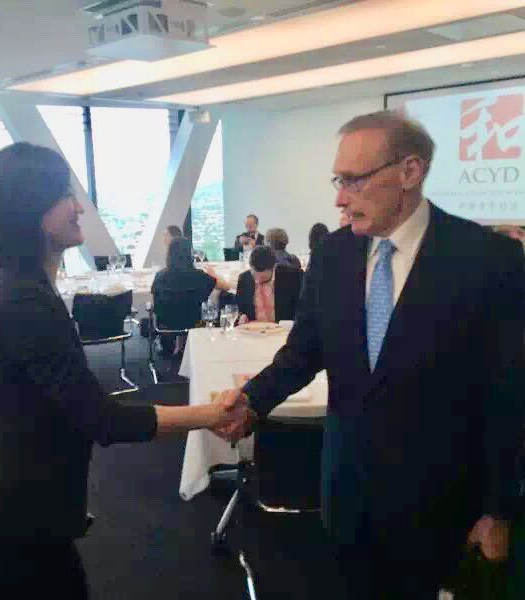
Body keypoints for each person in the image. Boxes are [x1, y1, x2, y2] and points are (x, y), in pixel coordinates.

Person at [217, 111, 524, 599]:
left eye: (354, 180)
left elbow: (509, 395)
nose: (340, 198)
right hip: (347, 493)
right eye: (338, 181)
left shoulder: (489, 260)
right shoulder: (332, 257)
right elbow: (303, 353)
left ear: (410, 172)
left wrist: (500, 509)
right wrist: (251, 402)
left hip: (444, 505)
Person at [0, 143, 245, 598]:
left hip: (20, 503)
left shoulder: (21, 288)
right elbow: (102, 419)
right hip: (17, 515)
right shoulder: (26, 301)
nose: (78, 208)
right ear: (31, 210)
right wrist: (208, 415)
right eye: (64, 195)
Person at [152, 236, 219, 355]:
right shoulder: (200, 276)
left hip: (167, 322)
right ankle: (183, 344)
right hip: (194, 321)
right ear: (190, 254)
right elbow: (220, 285)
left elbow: (156, 302)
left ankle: (177, 345)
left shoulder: (160, 276)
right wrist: (213, 274)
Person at [236, 245, 303, 324]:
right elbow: (239, 309)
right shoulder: (244, 279)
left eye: (263, 277)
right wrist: (241, 316)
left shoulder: (293, 277)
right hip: (253, 329)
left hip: (283, 329)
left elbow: (303, 309)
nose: (257, 281)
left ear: (273, 267)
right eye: (254, 276)